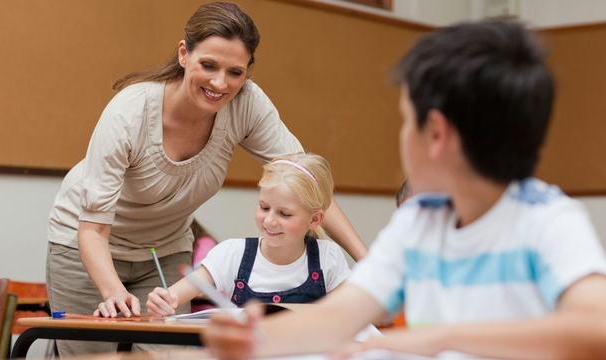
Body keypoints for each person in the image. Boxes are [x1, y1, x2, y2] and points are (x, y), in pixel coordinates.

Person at [202, 19, 606, 360]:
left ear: (436, 134)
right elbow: (340, 317)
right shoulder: (419, 221)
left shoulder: (546, 219)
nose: (402, 136)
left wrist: (443, 338)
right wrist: (254, 338)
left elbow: (596, 328)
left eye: (406, 121)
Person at [45, 2, 365, 356]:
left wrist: (367, 262)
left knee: (164, 353)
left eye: (235, 72)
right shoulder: (130, 112)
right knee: (94, 355)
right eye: (208, 65)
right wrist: (112, 291)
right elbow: (92, 229)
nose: (219, 83)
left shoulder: (246, 105)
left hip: (163, 248)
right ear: (184, 54)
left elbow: (308, 185)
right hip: (88, 246)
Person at [147, 153, 351, 316]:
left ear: (315, 220)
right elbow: (173, 296)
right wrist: (163, 300)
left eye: (284, 214)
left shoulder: (328, 258)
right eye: (264, 207)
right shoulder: (232, 254)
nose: (270, 220)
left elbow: (348, 313)